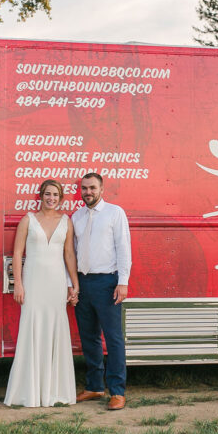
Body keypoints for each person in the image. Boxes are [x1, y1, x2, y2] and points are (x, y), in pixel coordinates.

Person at [4, 180, 80, 407]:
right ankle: (29, 391)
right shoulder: (28, 220)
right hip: (33, 282)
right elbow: (17, 254)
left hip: (56, 284)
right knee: (32, 328)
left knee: (55, 329)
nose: (51, 198)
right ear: (41, 196)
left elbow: (69, 255)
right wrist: (18, 283)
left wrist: (74, 285)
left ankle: (54, 391)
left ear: (61, 198)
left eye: (55, 195)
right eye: (47, 194)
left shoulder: (66, 221)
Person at [72, 172, 132, 410]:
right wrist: (73, 285)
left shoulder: (115, 213)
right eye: (84, 188)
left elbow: (123, 247)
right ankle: (95, 387)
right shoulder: (76, 217)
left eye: (92, 188)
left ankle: (117, 391)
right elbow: (72, 253)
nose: (88, 192)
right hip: (83, 283)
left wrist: (123, 281)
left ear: (102, 189)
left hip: (108, 282)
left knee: (114, 339)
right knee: (89, 338)